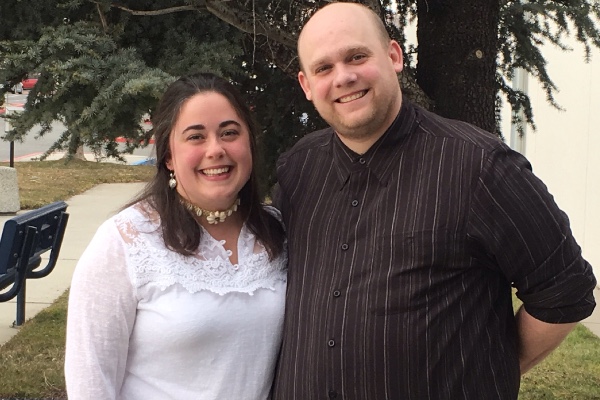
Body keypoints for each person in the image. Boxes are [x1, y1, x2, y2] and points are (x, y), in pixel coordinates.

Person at [271, 2, 597, 399]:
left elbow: (566, 289)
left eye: (357, 56)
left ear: (394, 56)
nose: (343, 77)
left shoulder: (480, 167)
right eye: (324, 68)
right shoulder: (297, 170)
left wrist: (492, 370)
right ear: (306, 85)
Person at [64, 72, 287, 399]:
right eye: (196, 137)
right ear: (168, 155)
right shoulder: (126, 241)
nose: (216, 149)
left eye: (229, 133)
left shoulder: (277, 232)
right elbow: (91, 381)